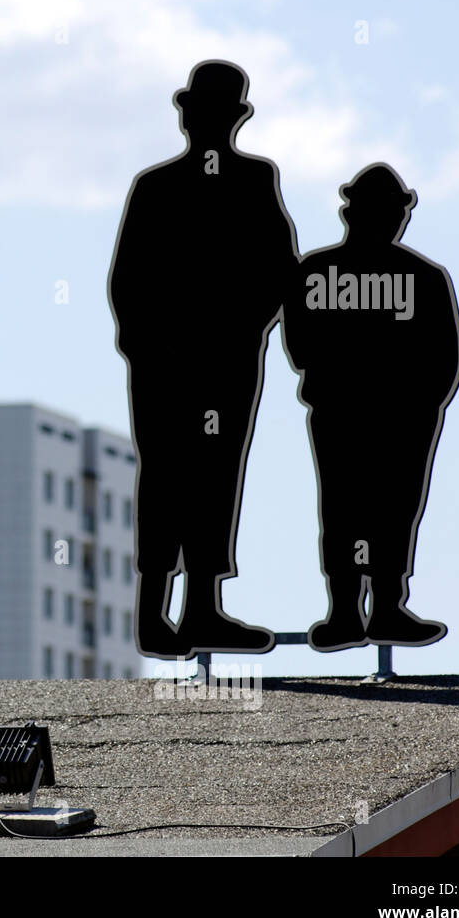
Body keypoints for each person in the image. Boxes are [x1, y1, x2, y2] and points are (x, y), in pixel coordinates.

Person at [108, 60, 298, 660]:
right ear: (188, 117)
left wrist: (240, 331)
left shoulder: (253, 180)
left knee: (213, 479)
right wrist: (153, 344)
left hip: (224, 363)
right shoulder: (156, 186)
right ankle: (153, 613)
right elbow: (127, 282)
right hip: (168, 367)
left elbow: (279, 273)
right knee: (168, 478)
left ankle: (201, 610)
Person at [282, 163, 459, 652]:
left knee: (388, 510)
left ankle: (381, 608)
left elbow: (444, 360)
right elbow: (299, 345)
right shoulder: (321, 273)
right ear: (353, 213)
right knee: (352, 508)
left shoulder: (419, 277)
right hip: (351, 415)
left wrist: (419, 406)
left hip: (395, 419)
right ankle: (348, 610)